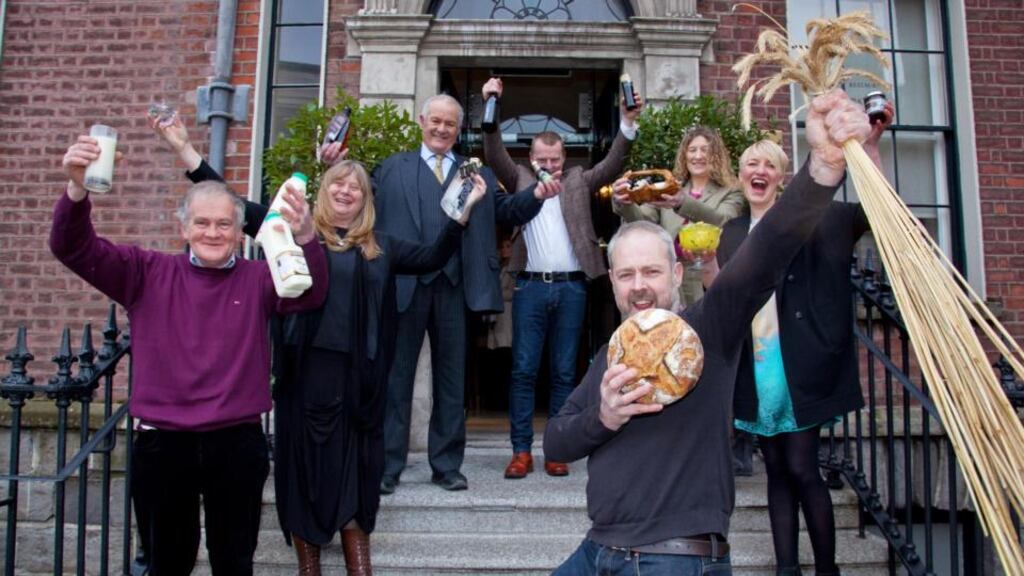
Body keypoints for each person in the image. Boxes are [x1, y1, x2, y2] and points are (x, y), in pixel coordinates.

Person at [542, 89, 870, 575]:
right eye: (627, 275)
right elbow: (556, 443)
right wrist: (605, 417)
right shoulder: (615, 354)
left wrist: (823, 166)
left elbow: (767, 251)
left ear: (677, 275)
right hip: (598, 552)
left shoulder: (707, 330)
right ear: (611, 283)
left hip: (673, 557)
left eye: (651, 272)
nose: (639, 288)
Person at [152, 117, 489, 575]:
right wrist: (186, 151)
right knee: (306, 470)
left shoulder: (382, 245)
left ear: (366, 198)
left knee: (358, 471)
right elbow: (234, 207)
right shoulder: (292, 236)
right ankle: (308, 566)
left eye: (356, 187)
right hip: (306, 380)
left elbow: (433, 256)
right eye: (338, 184)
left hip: (362, 383)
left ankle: (358, 565)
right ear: (323, 192)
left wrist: (461, 212)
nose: (346, 191)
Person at [51, 133, 328, 575]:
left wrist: (308, 235)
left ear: (241, 233)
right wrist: (77, 189)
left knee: (234, 564)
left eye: (223, 224)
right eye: (202, 223)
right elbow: (73, 248)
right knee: (167, 563)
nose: (212, 233)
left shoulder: (259, 278)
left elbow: (310, 295)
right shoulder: (145, 272)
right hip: (163, 444)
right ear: (183, 228)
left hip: (236, 442)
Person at [706, 102, 894, 576]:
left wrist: (870, 146)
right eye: (752, 162)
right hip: (756, 369)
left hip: (801, 369)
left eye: (770, 163)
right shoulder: (729, 234)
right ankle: (787, 567)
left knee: (804, 468)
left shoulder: (821, 219)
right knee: (776, 473)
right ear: (741, 176)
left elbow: (876, 210)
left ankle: (826, 568)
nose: (760, 170)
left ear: (783, 177)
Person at [370, 94, 556, 493]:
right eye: (435, 121)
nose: (441, 129)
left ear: (459, 130)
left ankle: (447, 465)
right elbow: (354, 202)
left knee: (452, 381)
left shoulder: (478, 175)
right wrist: (333, 162)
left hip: (454, 290)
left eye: (450, 124)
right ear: (421, 121)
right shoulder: (390, 169)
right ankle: (388, 464)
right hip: (404, 287)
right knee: (396, 379)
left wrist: (536, 197)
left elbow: (507, 210)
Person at [480, 77, 644, 479]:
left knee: (564, 372)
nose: (548, 165)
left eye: (554, 159)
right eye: (541, 158)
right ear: (531, 156)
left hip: (572, 287)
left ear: (564, 157)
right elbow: (493, 149)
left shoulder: (578, 180)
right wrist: (491, 105)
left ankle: (556, 448)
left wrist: (626, 122)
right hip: (530, 287)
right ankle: (521, 452)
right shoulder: (519, 179)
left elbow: (613, 163)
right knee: (522, 370)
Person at [612, 126, 744, 306]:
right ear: (684, 155)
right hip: (670, 279)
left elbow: (725, 222)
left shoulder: (731, 190)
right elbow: (644, 223)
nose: (698, 156)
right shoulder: (669, 187)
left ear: (716, 155)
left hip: (706, 278)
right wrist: (624, 202)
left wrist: (683, 203)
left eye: (705, 150)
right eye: (692, 150)